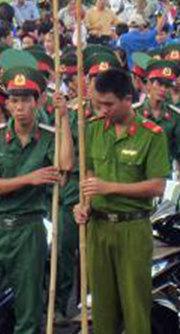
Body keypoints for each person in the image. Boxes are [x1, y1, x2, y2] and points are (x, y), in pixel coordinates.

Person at [0, 66, 73, 334]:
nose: (20, 106)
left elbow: (66, 166)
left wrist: (64, 118)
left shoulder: (49, 137)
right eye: (14, 100)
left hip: (29, 231)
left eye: (26, 100)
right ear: (8, 105)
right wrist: (29, 179)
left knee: (29, 310)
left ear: (37, 103)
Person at [73, 68, 170, 334]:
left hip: (133, 229)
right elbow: (89, 173)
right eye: (98, 104)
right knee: (101, 306)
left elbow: (157, 186)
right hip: (98, 227)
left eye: (108, 104)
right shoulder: (92, 130)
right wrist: (84, 204)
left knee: (135, 306)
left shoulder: (152, 134)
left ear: (128, 99)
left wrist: (111, 188)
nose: (102, 110)